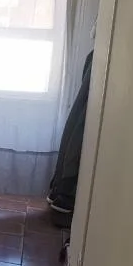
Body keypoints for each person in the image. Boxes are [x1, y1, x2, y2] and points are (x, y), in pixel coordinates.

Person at [47, 50, 94, 218]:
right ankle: (65, 189)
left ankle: (63, 188)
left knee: (74, 135)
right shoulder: (98, 56)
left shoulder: (97, 56)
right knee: (75, 136)